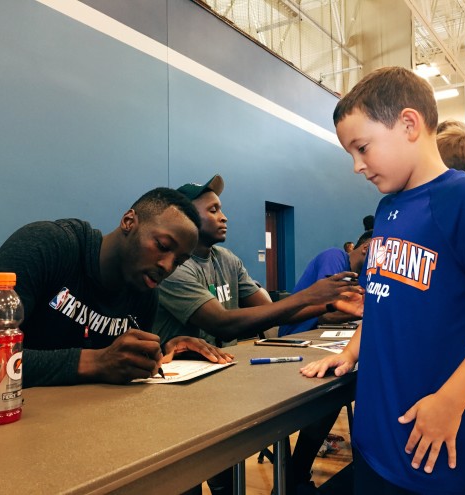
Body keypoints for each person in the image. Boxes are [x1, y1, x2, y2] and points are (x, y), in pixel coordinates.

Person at [300, 67, 465, 495]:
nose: (357, 166)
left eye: (362, 148)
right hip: (380, 437)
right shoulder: (388, 209)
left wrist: (450, 400)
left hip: (439, 438)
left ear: (409, 124)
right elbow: (387, 303)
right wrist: (350, 352)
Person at [0, 187, 232, 409]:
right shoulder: (48, 246)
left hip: (57, 430)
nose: (167, 266)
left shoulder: (144, 291)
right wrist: (92, 362)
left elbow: (114, 376)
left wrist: (160, 354)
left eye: (179, 261)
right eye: (163, 245)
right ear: (129, 221)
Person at [153, 174, 362, 495]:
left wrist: (327, 303)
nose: (223, 216)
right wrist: (311, 297)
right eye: (212, 210)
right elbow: (222, 323)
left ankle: (294, 478)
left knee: (321, 395)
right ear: (186, 217)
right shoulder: (175, 267)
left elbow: (270, 311)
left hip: (225, 379)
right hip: (179, 395)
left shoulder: (227, 260)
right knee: (188, 483)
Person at [279, 229, 373, 336]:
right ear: (366, 248)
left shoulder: (363, 276)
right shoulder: (334, 256)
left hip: (321, 336)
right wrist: (372, 311)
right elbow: (326, 315)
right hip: (296, 335)